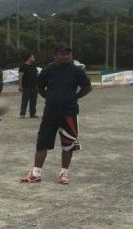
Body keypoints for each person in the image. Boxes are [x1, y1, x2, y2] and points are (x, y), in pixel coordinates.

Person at [20, 43, 92, 185]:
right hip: (50, 112)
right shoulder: (48, 70)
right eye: (62, 54)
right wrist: (50, 97)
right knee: (42, 142)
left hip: (69, 112)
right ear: (56, 55)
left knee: (68, 144)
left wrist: (74, 97)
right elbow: (39, 87)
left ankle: (64, 173)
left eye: (68, 54)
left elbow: (87, 87)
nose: (65, 56)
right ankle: (36, 173)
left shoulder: (76, 71)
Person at [18, 53, 39, 118]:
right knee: (25, 101)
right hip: (26, 87)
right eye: (33, 57)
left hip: (34, 87)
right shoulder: (23, 66)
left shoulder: (34, 66)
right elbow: (20, 77)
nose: (34, 58)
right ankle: (22, 114)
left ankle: (32, 114)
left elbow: (36, 75)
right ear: (29, 58)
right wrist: (20, 86)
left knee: (33, 101)